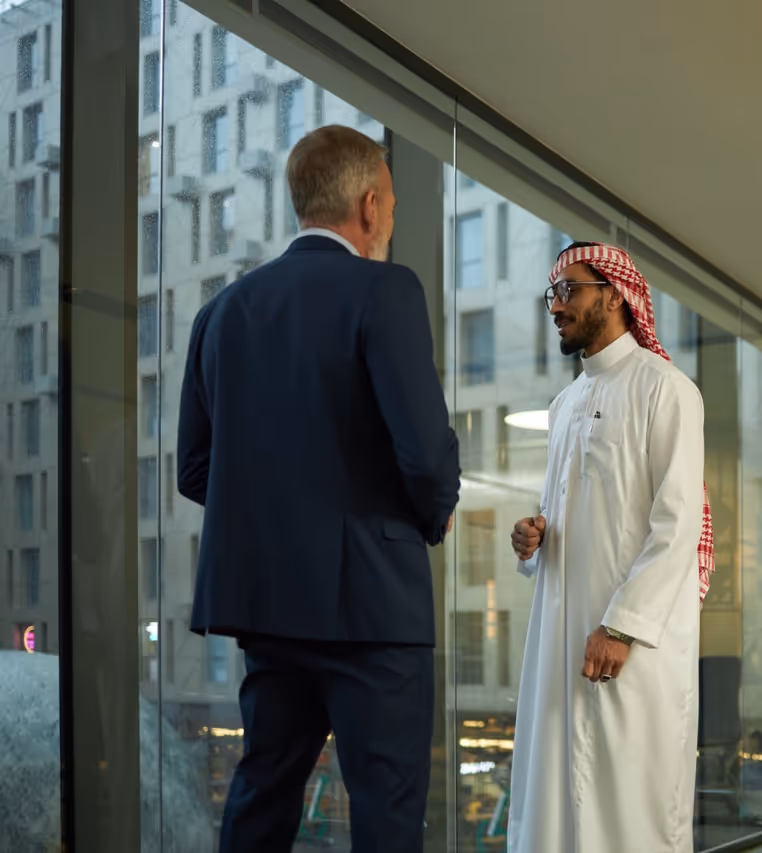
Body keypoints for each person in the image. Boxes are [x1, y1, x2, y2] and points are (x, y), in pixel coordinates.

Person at [177, 125, 460, 853]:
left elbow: (196, 470)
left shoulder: (221, 312)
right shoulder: (385, 290)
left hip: (266, 607)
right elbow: (426, 455)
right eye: (392, 205)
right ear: (369, 205)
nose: (391, 220)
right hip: (371, 607)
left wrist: (282, 517)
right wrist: (431, 515)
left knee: (263, 788)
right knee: (386, 812)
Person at [507, 242, 715, 853]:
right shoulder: (565, 404)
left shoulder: (667, 389)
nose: (556, 306)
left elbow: (676, 525)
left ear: (615, 294)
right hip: (562, 640)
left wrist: (620, 627)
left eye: (568, 290)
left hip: (633, 647)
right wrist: (533, 539)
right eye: (552, 294)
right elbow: (571, 512)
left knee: (631, 806)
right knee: (553, 805)